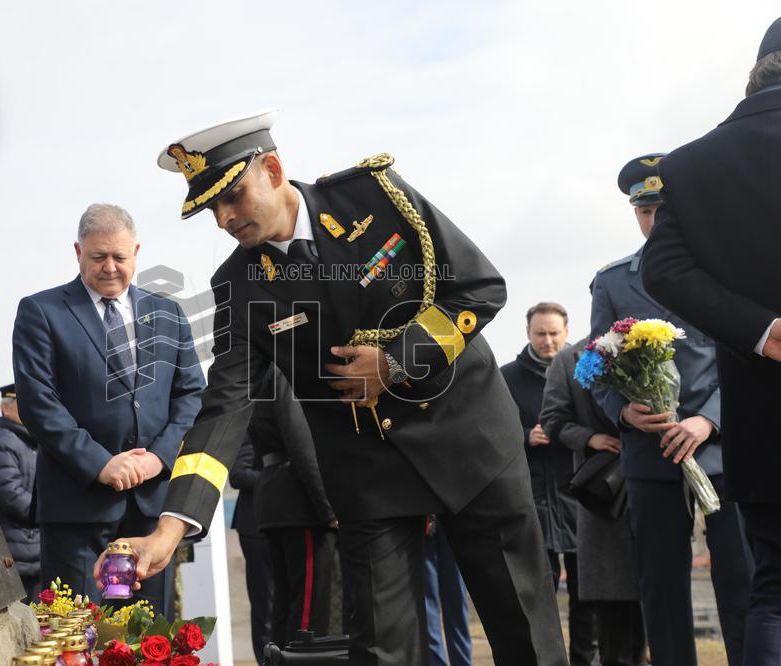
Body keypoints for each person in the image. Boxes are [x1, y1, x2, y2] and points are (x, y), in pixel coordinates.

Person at [98, 109, 567, 665]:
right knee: (381, 651)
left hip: (468, 444)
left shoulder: (373, 199)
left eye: (233, 197)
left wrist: (396, 361)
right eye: (211, 209)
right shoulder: (238, 285)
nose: (224, 219)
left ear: (272, 169)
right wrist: (170, 530)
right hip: (365, 473)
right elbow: (225, 407)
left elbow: (479, 287)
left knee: (523, 631)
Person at [640, 19, 781, 663]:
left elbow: (662, 270)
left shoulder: (692, 163)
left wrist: (762, 329)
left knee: (774, 593)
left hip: (762, 419)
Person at [589, 154, 752, 666]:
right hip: (650, 455)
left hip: (723, 455)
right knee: (660, 588)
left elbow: (752, 356)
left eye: (662, 207)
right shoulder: (612, 283)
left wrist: (709, 420)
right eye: (644, 211)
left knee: (743, 582)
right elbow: (593, 371)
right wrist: (623, 412)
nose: (653, 220)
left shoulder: (725, 270)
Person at [13, 203, 205, 613]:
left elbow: (191, 395)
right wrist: (101, 463)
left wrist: (158, 458)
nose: (110, 267)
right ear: (78, 252)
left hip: (152, 509)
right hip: (79, 508)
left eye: (120, 257)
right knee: (80, 636)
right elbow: (38, 402)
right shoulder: (41, 312)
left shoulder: (168, 314)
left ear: (136, 252)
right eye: (98, 256)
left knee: (149, 639)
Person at [501, 303, 598, 666]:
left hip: (578, 496)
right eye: (540, 333)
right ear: (528, 333)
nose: (548, 340)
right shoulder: (506, 377)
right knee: (537, 596)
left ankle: (584, 661)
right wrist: (526, 437)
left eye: (554, 332)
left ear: (567, 330)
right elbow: (492, 433)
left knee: (586, 595)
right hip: (531, 501)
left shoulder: (584, 372)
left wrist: (566, 433)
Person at [541, 340, 647, 666]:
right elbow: (552, 418)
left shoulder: (652, 345)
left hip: (651, 488)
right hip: (603, 493)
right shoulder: (568, 359)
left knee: (654, 600)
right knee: (611, 607)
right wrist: (589, 438)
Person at [251, 364, 337, 650]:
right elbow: (301, 444)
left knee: (286, 608)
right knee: (308, 614)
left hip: (277, 498)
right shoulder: (284, 372)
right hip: (299, 504)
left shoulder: (260, 375)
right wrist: (328, 507)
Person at [0, 383, 41, 603]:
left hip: (32, 553)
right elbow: (10, 496)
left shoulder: (31, 444)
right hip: (11, 556)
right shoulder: (3, 442)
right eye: (20, 405)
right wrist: (49, 513)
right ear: (5, 408)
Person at [229, 436, 273, 664]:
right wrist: (279, 477)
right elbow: (237, 474)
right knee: (265, 605)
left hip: (281, 525)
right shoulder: (254, 420)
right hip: (256, 527)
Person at [423, 516, 472, 666]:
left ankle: (462, 662)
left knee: (456, 600)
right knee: (427, 602)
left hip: (451, 514)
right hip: (420, 516)